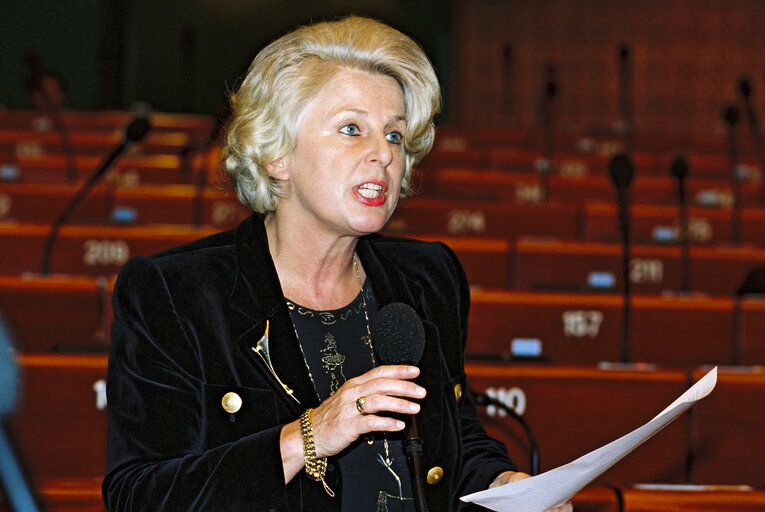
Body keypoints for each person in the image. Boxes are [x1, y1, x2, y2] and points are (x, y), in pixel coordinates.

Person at [102, 15, 572, 512]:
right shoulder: (176, 292)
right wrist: (309, 435)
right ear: (276, 154)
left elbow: (456, 446)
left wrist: (506, 487)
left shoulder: (429, 277)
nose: (384, 155)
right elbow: (139, 496)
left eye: (394, 136)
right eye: (352, 129)